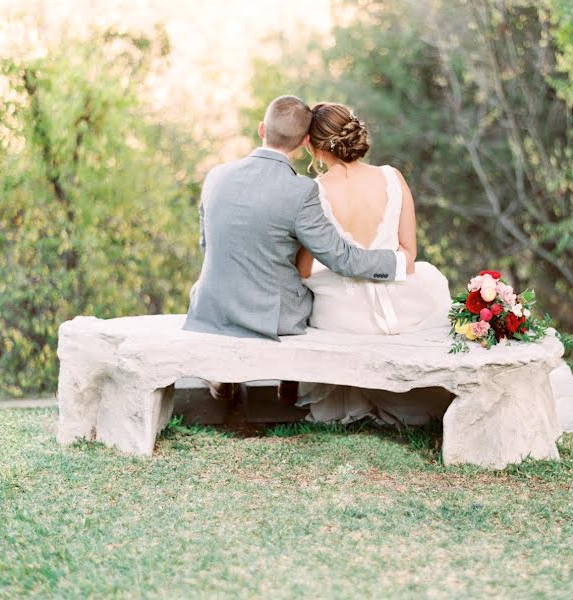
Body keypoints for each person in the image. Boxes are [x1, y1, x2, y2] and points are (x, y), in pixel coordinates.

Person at [183, 95, 410, 403]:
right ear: (304, 140)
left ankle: (223, 380)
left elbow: (207, 245)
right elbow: (340, 258)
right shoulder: (302, 190)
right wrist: (397, 261)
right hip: (272, 317)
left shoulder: (216, 175)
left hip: (210, 305)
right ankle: (289, 381)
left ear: (262, 129)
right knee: (314, 290)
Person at [294, 102, 453, 424]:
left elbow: (304, 271)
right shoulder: (392, 178)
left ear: (312, 144)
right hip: (406, 304)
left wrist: (344, 267)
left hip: (343, 315)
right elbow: (408, 256)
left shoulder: (313, 191)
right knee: (430, 279)